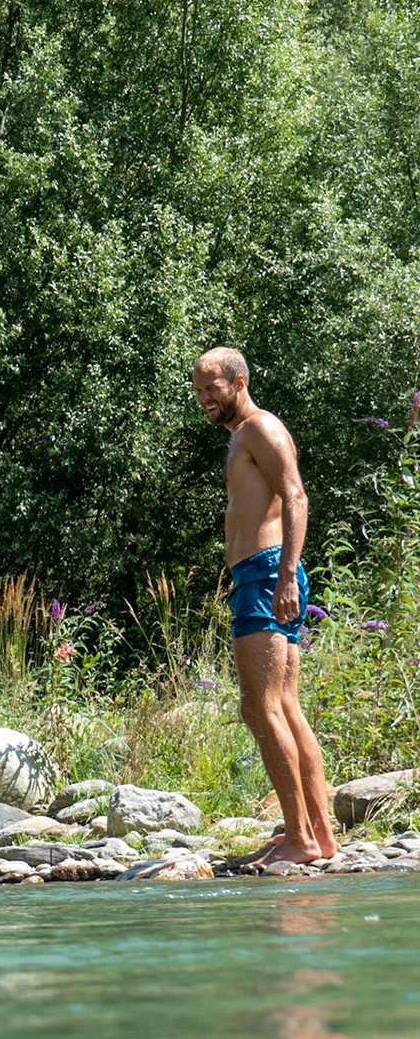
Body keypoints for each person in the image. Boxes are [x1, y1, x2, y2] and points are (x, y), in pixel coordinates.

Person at [191, 347, 336, 866]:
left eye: (212, 388)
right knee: (285, 706)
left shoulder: (259, 428)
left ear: (240, 381)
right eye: (198, 391)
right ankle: (316, 837)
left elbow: (295, 497)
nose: (203, 398)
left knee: (260, 704)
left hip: (265, 573)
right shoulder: (241, 436)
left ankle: (300, 838)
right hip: (261, 574)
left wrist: (283, 577)